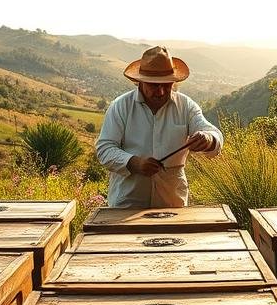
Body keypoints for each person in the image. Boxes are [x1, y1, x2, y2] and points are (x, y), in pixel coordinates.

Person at [95, 45, 223, 208]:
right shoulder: (121, 106)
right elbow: (104, 149)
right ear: (140, 82)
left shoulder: (185, 106)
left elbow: (213, 134)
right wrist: (134, 163)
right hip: (126, 205)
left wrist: (209, 139)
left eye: (167, 84)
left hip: (172, 204)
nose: (161, 91)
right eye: (154, 85)